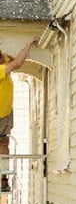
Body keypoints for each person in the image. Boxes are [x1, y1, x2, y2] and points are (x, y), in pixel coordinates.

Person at [1, 38, 39, 193]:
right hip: (1, 114)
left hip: (5, 112)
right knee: (2, 144)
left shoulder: (3, 63)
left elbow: (12, 57)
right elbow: (17, 63)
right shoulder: (0, 69)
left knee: (4, 144)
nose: (4, 57)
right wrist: (28, 43)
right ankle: (3, 179)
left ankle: (3, 179)